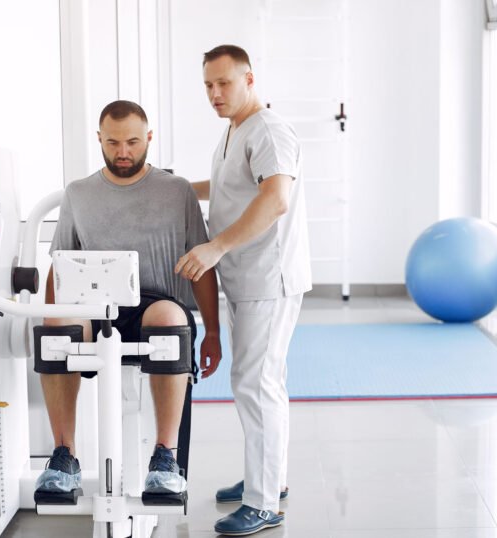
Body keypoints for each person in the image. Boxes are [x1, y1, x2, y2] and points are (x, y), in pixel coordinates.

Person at [34, 100, 222, 501]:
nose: (123, 152)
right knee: (55, 326)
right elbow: (59, 265)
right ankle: (64, 456)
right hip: (91, 304)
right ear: (99, 139)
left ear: (149, 138)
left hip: (154, 304)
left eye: (133, 142)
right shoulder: (79, 193)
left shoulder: (177, 191)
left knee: (171, 317)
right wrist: (49, 315)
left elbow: (202, 263)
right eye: (114, 142)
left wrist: (213, 332)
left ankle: (165, 457)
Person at [176, 44, 311, 536]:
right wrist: (174, 188)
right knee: (254, 383)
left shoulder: (270, 131)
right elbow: (229, 185)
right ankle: (267, 479)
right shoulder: (236, 129)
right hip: (246, 279)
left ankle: (265, 502)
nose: (215, 93)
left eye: (224, 83)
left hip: (267, 279)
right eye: (208, 85)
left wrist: (215, 248)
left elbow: (275, 200)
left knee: (258, 385)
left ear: (249, 79)